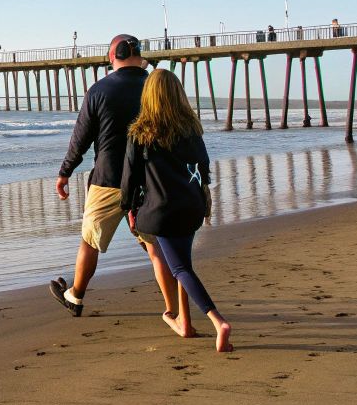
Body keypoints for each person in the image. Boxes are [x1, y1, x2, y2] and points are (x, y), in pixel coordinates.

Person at [121, 68, 233, 352]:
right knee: (183, 263)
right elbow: (204, 167)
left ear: (149, 96)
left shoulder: (139, 132)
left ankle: (218, 321)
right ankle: (184, 322)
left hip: (161, 212)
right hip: (191, 207)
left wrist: (128, 209)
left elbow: (130, 179)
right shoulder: (191, 129)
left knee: (181, 268)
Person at [49, 34, 148, 316]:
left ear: (113, 55)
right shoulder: (153, 87)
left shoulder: (99, 90)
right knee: (154, 244)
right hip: (146, 178)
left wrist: (65, 172)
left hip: (109, 179)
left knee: (91, 240)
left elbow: (81, 138)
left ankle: (76, 296)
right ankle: (176, 302)